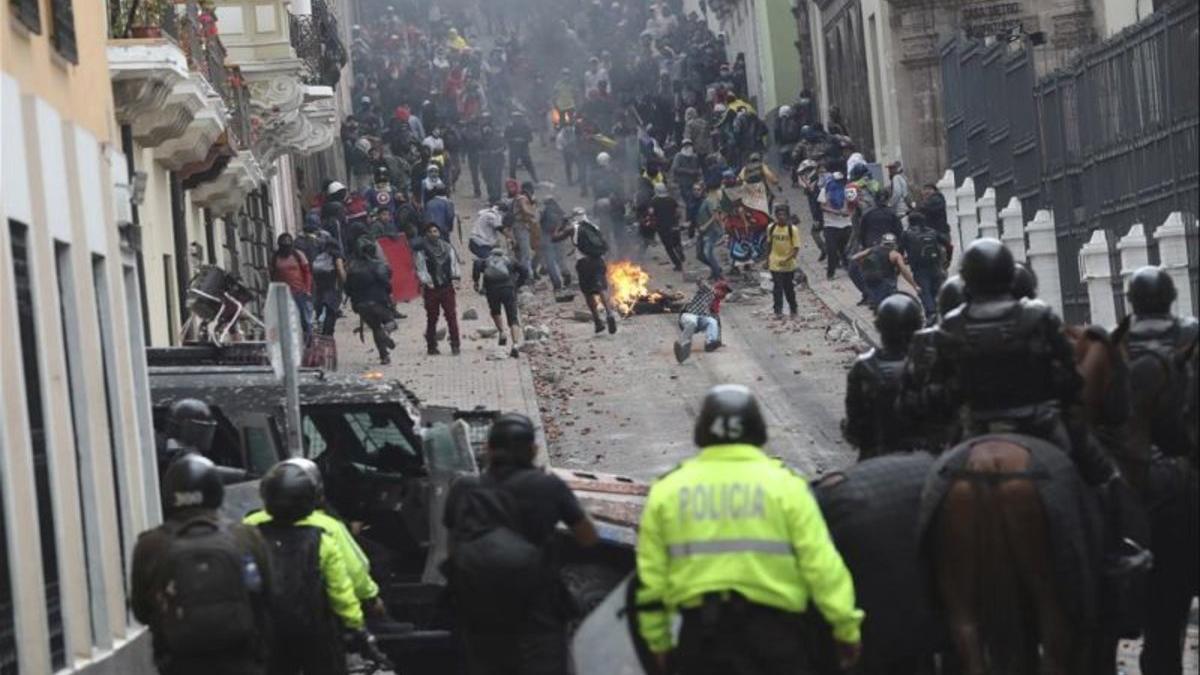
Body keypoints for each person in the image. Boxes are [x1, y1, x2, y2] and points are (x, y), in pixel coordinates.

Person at [916, 239, 1145, 569]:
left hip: (974, 428)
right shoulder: (1037, 316)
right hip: (1041, 424)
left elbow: (941, 390)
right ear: (1009, 274)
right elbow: (1069, 377)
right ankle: (1115, 546)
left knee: (933, 489)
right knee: (1101, 475)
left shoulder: (951, 323)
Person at [634, 385, 864, 674]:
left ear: (702, 431)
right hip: (777, 643)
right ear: (758, 430)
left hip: (701, 644)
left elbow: (650, 581)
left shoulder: (667, 492)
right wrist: (845, 627)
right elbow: (822, 567)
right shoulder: (787, 488)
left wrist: (658, 643)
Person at [443, 413, 598, 675]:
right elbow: (587, 537)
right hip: (536, 615)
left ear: (489, 450)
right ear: (534, 450)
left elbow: (452, 545)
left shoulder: (464, 489)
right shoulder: (548, 486)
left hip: (479, 616)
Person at [132, 454, 273, 675]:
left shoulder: (150, 546)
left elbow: (141, 611)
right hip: (241, 660)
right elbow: (269, 595)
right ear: (216, 492)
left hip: (180, 663)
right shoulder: (245, 536)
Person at [248, 459, 389, 675]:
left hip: (263, 633)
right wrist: (361, 617)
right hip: (316, 634)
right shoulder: (325, 529)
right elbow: (350, 577)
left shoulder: (249, 527)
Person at [1119, 266, 1198, 462]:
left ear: (1131, 300)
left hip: (1135, 451)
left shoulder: (1119, 338)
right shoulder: (1192, 332)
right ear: (1172, 296)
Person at [843, 294, 925, 460]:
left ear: (879, 327)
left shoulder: (864, 367)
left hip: (877, 454)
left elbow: (854, 422)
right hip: (924, 455)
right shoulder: (930, 361)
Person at [554, 207, 618, 334]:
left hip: (584, 264)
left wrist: (560, 224)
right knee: (602, 289)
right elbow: (604, 244)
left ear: (574, 217)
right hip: (598, 261)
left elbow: (554, 238)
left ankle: (597, 321)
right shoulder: (594, 227)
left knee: (588, 293)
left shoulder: (573, 228)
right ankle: (609, 314)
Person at [344, 239, 396, 364]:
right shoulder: (378, 265)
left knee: (375, 328)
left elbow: (347, 288)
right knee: (391, 323)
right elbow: (387, 284)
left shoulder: (351, 268)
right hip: (378, 302)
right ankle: (386, 332)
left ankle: (384, 356)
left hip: (361, 305)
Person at [414, 222, 463, 356]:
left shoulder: (447, 248)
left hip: (447, 287)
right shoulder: (422, 251)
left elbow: (454, 264)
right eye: (430, 232)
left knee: (451, 316)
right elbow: (421, 268)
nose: (433, 234)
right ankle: (431, 346)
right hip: (432, 289)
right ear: (426, 234)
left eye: (435, 231)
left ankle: (455, 344)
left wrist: (455, 278)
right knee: (432, 317)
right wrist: (427, 282)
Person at [901, 210, 952, 325]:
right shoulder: (933, 232)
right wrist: (948, 259)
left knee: (925, 291)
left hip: (919, 268)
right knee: (936, 290)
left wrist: (903, 261)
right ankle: (940, 314)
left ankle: (931, 314)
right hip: (935, 265)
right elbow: (948, 245)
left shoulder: (907, 234)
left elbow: (900, 250)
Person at [849, 233, 919, 310]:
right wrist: (914, 285)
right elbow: (904, 271)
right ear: (894, 244)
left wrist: (863, 266)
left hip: (871, 280)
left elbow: (854, 258)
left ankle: (877, 304)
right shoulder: (895, 255)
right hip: (887, 283)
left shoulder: (872, 249)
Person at [480, 246, 525, 358]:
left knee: (495, 311)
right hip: (508, 290)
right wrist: (518, 284)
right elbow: (524, 271)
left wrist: (476, 282)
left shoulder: (485, 261)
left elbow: (476, 267)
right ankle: (515, 344)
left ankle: (502, 332)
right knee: (513, 317)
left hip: (492, 291)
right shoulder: (510, 260)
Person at [673, 280, 731, 364]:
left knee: (712, 321)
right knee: (692, 322)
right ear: (719, 290)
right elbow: (700, 282)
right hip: (688, 315)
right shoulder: (707, 291)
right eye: (724, 292)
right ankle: (682, 344)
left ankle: (709, 343)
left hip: (700, 319)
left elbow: (716, 319)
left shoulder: (715, 301)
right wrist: (711, 289)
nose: (724, 296)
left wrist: (718, 340)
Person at [270, 232, 314, 339]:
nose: (286, 249)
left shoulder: (298, 255)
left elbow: (307, 272)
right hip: (283, 295)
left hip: (299, 293)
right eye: (283, 246)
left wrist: (307, 289)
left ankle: (308, 341)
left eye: (288, 246)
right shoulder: (275, 258)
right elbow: (272, 275)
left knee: (305, 320)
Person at [767, 201, 802, 318]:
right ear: (775, 216)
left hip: (788, 264)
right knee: (777, 287)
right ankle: (778, 310)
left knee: (788, 288)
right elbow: (769, 244)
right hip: (775, 262)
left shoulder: (793, 230)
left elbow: (796, 249)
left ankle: (793, 308)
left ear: (787, 216)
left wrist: (787, 259)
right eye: (778, 215)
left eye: (783, 215)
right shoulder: (771, 228)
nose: (781, 217)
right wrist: (767, 260)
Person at [818, 170, 853, 279]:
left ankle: (850, 270)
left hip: (846, 224)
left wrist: (847, 212)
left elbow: (851, 204)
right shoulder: (825, 190)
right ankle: (830, 273)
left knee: (846, 250)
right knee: (832, 250)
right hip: (830, 225)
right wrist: (837, 212)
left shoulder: (847, 190)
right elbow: (822, 206)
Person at [311, 236, 346, 336]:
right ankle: (328, 335)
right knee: (331, 311)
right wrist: (344, 282)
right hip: (332, 287)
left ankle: (320, 331)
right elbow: (340, 269)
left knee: (321, 310)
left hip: (320, 288)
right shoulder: (337, 255)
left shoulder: (320, 256)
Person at [649, 182, 686, 270]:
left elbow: (651, 212)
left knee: (669, 247)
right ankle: (680, 252)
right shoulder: (671, 200)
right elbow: (678, 212)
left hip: (662, 228)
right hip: (674, 225)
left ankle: (678, 265)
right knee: (677, 242)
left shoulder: (654, 201)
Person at [796, 160, 826, 262]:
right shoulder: (817, 183)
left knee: (815, 232)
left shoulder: (815, 187)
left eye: (804, 173)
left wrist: (816, 218)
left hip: (824, 215)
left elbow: (816, 204)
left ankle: (826, 250)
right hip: (826, 214)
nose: (803, 176)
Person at [512, 181, 541, 281]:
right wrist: (533, 213)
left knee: (530, 252)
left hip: (526, 226)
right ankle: (527, 277)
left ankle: (528, 272)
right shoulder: (522, 198)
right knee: (525, 254)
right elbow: (525, 210)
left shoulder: (526, 199)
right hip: (521, 227)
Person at [505, 110, 539, 182]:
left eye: (518, 118)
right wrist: (513, 140)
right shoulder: (509, 127)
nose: (517, 120)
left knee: (529, 164)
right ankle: (513, 182)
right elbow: (506, 138)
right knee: (512, 167)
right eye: (515, 118)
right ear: (512, 118)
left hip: (523, 148)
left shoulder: (525, 127)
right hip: (514, 149)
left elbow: (530, 138)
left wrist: (523, 139)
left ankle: (536, 180)